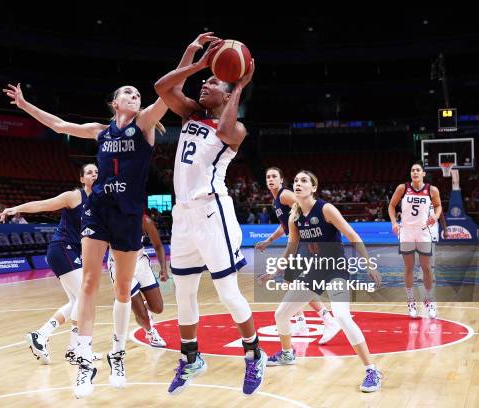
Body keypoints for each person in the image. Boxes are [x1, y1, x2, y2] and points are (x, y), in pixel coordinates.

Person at [4, 77, 167, 398]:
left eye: (138, 94)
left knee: (123, 290)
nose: (135, 96)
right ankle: (84, 364)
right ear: (115, 103)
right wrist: (24, 106)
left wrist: (193, 57)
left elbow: (167, 92)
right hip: (99, 210)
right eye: (128, 93)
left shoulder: (145, 123)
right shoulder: (99, 131)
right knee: (89, 286)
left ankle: (116, 354)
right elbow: (59, 124)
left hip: (129, 215)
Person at [154, 32, 266, 396]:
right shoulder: (189, 112)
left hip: (212, 212)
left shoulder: (235, 128)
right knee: (183, 292)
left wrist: (239, 86)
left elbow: (226, 129)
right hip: (183, 215)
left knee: (227, 292)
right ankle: (191, 358)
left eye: (213, 82)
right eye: (205, 80)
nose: (205, 84)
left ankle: (254, 354)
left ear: (227, 93)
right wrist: (198, 58)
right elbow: (161, 86)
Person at [259, 170, 383, 392]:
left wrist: (369, 264)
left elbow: (353, 236)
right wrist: (274, 272)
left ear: (313, 188)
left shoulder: (325, 209)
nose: (298, 184)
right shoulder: (294, 216)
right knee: (281, 314)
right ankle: (288, 354)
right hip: (314, 272)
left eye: (304, 181)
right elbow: (291, 248)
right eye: (296, 181)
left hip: (335, 269)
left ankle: (372, 370)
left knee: (343, 316)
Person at [0, 164, 101, 365]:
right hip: (62, 248)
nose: (94, 175)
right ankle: (77, 350)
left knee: (75, 302)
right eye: (90, 172)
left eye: (97, 172)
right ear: (82, 179)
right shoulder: (74, 197)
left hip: (72, 252)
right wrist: (16, 209)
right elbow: (42, 205)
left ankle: (41, 335)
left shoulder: (99, 203)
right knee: (84, 296)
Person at [255, 167, 341, 347]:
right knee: (292, 284)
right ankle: (302, 321)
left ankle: (328, 319)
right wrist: (269, 240)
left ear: (281, 180)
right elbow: (286, 224)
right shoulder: (276, 201)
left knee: (299, 285)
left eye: (274, 177)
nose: (271, 179)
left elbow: (303, 206)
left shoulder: (285, 194)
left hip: (303, 243)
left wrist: (310, 234)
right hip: (297, 244)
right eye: (268, 176)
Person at [388, 162, 442, 319]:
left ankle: (428, 300)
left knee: (426, 268)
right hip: (406, 233)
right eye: (412, 170)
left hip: (423, 232)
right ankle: (411, 301)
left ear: (423, 173)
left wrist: (436, 216)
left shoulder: (432, 190)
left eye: (418, 170)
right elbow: (391, 206)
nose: (415, 172)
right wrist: (393, 223)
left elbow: (438, 206)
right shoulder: (402, 188)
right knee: (409, 267)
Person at [107, 214, 169, 348]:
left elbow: (158, 245)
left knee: (158, 308)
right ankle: (150, 332)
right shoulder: (109, 219)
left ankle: (139, 306)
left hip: (140, 263)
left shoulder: (144, 221)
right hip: (120, 267)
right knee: (142, 314)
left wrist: (163, 269)